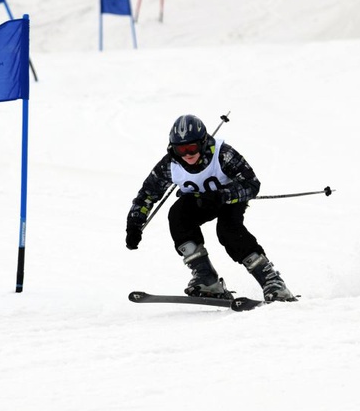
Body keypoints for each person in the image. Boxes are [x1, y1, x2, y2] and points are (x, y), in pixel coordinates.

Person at [125, 114, 296, 302]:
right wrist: (134, 224)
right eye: (180, 149)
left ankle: (272, 282)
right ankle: (206, 277)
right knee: (178, 215)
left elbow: (252, 184)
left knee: (228, 230)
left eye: (192, 147)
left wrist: (223, 195)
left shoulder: (223, 154)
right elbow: (147, 194)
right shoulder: (170, 164)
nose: (187, 154)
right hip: (199, 201)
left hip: (229, 200)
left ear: (204, 142)